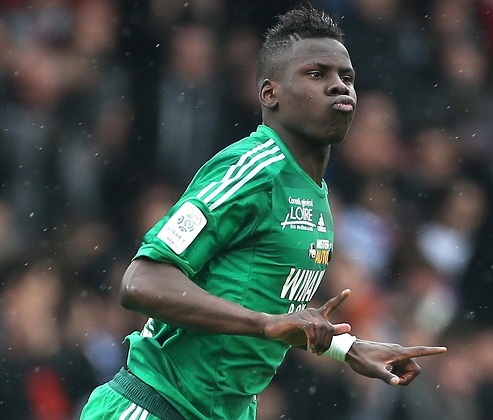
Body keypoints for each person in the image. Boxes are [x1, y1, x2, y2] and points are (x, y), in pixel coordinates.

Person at [80, 5, 447, 420]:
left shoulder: (317, 197)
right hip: (155, 405)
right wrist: (263, 324)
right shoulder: (252, 170)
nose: (338, 86)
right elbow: (141, 281)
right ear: (270, 94)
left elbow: (274, 314)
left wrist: (347, 348)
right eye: (317, 74)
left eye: (346, 78)